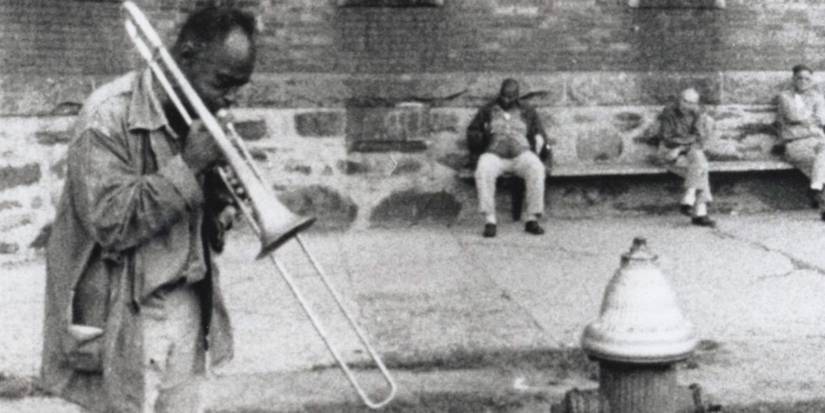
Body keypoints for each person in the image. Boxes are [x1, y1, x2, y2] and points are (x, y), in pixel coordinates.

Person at [41, 6, 256, 412]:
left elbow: (198, 222)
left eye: (238, 87)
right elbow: (110, 221)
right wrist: (190, 166)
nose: (230, 99)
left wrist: (223, 205)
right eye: (223, 82)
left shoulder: (196, 117)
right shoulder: (108, 115)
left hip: (190, 303)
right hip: (128, 311)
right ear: (186, 56)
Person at [467, 78, 551, 238]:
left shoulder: (527, 110)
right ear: (500, 93)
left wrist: (540, 140)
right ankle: (490, 220)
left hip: (521, 155)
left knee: (536, 168)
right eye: (504, 96)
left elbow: (540, 132)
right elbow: (472, 132)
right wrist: (482, 135)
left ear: (517, 97)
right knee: (483, 169)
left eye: (510, 97)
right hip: (494, 154)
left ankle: (531, 219)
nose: (506, 100)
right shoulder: (487, 109)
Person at [655, 88, 716, 227]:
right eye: (684, 101)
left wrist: (681, 147)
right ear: (679, 99)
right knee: (702, 168)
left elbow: (699, 138)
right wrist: (687, 143)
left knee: (698, 160)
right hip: (669, 154)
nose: (686, 105)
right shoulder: (669, 112)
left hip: (685, 153)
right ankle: (700, 213)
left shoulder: (698, 113)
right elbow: (667, 138)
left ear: (696, 104)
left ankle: (689, 197)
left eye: (691, 103)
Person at [775, 64, 825, 219]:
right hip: (795, 143)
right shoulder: (785, 96)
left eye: (807, 79)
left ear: (811, 81)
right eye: (799, 78)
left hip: (817, 142)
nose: (803, 81)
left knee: (822, 161)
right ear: (793, 79)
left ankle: (816, 189)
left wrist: (809, 120)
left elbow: (822, 119)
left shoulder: (817, 97)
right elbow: (793, 116)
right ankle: (817, 192)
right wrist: (811, 119)